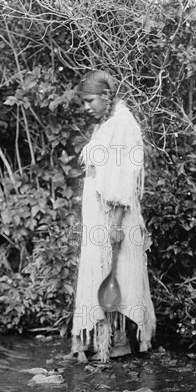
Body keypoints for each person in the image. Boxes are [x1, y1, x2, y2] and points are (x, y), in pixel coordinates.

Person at [71, 70, 156, 363]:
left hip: (113, 215)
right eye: (83, 102)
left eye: (90, 100)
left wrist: (117, 224)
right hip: (100, 214)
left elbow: (123, 178)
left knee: (117, 272)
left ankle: (118, 343)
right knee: (104, 273)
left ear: (106, 96)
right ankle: (102, 343)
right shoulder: (109, 123)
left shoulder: (123, 124)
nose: (86, 107)